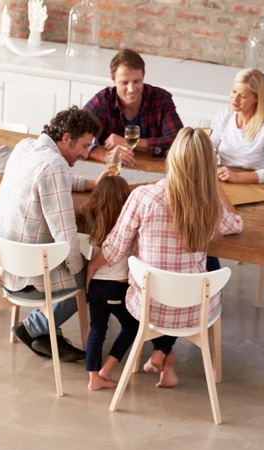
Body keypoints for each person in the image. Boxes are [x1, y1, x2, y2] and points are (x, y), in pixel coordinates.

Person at [87, 127, 243, 388]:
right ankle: (163, 354)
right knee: (204, 270)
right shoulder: (210, 205)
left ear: (172, 159)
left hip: (147, 307)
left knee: (159, 279)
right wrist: (214, 188)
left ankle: (162, 355)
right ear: (209, 167)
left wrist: (91, 266)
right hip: (194, 312)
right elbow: (236, 224)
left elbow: (114, 247)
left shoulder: (144, 197)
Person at [0, 106, 103, 362]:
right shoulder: (55, 166)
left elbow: (50, 177)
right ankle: (35, 327)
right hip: (25, 275)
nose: (85, 154)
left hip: (1, 263)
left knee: (80, 264)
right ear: (67, 137)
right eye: (83, 146)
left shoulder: (26, 147)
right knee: (96, 273)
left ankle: (47, 332)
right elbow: (65, 233)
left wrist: (89, 183)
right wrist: (81, 266)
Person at [81, 175, 139, 391]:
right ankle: (108, 367)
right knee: (133, 325)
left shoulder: (93, 216)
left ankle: (93, 377)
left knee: (97, 329)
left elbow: (85, 206)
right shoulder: (127, 226)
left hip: (95, 285)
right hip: (116, 287)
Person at [83, 49, 184, 167]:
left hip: (153, 168)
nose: (131, 89)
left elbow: (179, 141)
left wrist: (129, 142)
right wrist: (106, 156)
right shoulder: (102, 101)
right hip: (112, 169)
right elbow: (72, 135)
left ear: (143, 76)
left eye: (136, 81)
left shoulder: (161, 99)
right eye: (124, 83)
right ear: (113, 79)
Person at [209, 68, 264, 185]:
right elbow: (209, 149)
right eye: (234, 91)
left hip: (253, 186)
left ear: (257, 99)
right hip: (225, 182)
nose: (235, 99)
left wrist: (237, 177)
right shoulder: (224, 115)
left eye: (243, 96)